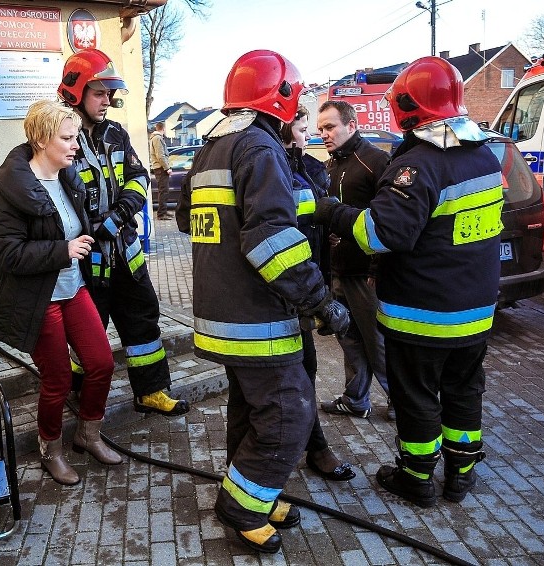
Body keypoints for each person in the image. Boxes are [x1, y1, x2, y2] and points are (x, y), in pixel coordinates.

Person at [176, 50, 349, 553]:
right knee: (287, 415)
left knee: (250, 412)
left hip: (221, 314)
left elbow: (191, 219)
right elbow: (270, 241)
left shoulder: (213, 146)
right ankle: (240, 507)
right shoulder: (259, 149)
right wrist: (321, 302)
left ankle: (256, 492)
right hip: (258, 318)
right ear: (283, 97)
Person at [314, 57, 503, 507]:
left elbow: (381, 235)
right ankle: (461, 473)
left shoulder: (418, 165)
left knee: (417, 395)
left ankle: (416, 476)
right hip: (475, 312)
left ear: (407, 107)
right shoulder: (484, 155)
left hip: (423, 314)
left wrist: (330, 212)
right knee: (464, 390)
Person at [0, 100, 120, 485]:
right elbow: (2, 252)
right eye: (68, 138)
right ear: (42, 139)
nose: (76, 145)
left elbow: (76, 226)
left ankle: (88, 435)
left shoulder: (68, 179)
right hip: (39, 298)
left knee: (101, 363)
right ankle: (50, 449)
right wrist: (63, 250)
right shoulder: (12, 189)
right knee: (57, 377)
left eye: (75, 137)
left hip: (73, 288)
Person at [57, 48, 189, 417]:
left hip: (125, 251)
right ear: (75, 91)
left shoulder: (115, 132)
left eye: (109, 93)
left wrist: (119, 214)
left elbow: (138, 176)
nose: (108, 100)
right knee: (88, 333)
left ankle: (151, 391)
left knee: (142, 318)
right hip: (87, 259)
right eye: (99, 93)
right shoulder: (59, 135)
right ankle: (79, 394)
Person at [281, 105, 355, 482]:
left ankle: (314, 447)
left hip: (307, 286)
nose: (309, 134)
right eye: (303, 127)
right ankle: (303, 448)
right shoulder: (266, 166)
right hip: (278, 291)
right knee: (279, 379)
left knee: (306, 368)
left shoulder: (310, 169)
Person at [314, 100, 393, 421]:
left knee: (378, 344)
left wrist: (376, 267)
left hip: (366, 274)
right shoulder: (332, 165)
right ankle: (355, 399)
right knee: (349, 340)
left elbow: (388, 221)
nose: (324, 134)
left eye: (330, 127)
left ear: (352, 124)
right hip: (340, 270)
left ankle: (403, 405)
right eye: (320, 129)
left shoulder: (376, 161)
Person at [150, 121, 173, 219]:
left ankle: (163, 211)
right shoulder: (158, 138)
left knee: (164, 191)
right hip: (160, 168)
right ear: (163, 128)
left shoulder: (155, 138)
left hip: (159, 168)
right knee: (163, 191)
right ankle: (161, 214)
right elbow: (160, 155)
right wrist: (167, 168)